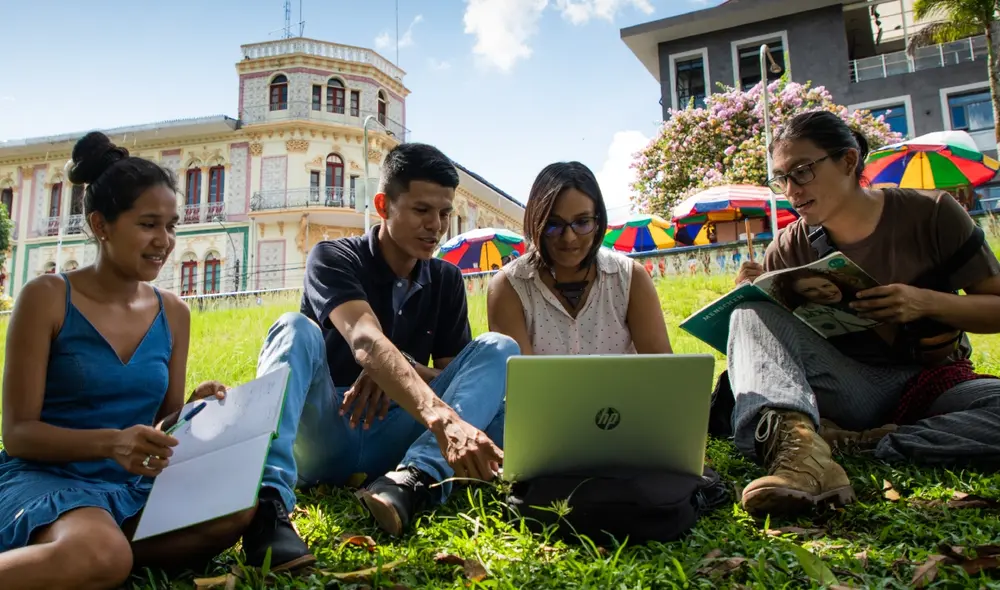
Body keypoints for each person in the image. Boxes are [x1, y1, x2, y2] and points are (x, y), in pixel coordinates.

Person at [243, 142, 518, 570]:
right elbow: (365, 339)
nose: (436, 226)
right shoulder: (333, 257)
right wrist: (396, 374)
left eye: (444, 213)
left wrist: (398, 367)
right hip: (326, 425)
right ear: (383, 205)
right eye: (421, 210)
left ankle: (414, 479)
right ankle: (267, 505)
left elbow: (455, 381)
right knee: (294, 328)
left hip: (395, 436)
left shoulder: (446, 279)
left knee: (500, 348)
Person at [0, 132, 254, 589]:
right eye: (148, 224)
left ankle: (78, 555)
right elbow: (18, 435)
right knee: (104, 553)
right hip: (48, 478)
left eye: (172, 225)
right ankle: (87, 550)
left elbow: (160, 426)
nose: (165, 240)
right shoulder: (47, 298)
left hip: (130, 487)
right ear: (101, 224)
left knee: (236, 510)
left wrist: (192, 409)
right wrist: (110, 443)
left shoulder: (174, 312)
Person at [730, 110, 1000, 518]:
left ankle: (862, 443)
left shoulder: (933, 215)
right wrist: (746, 298)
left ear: (848, 161)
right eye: (781, 178)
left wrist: (926, 302)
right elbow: (768, 352)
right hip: (844, 387)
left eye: (802, 171)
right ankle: (801, 457)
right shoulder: (787, 248)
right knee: (750, 311)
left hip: (936, 385)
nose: (791, 190)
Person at [487, 161, 672, 356]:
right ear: (535, 222)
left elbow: (664, 371)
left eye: (582, 222)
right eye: (553, 224)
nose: (569, 237)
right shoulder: (509, 287)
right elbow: (521, 381)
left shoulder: (630, 279)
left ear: (599, 222)